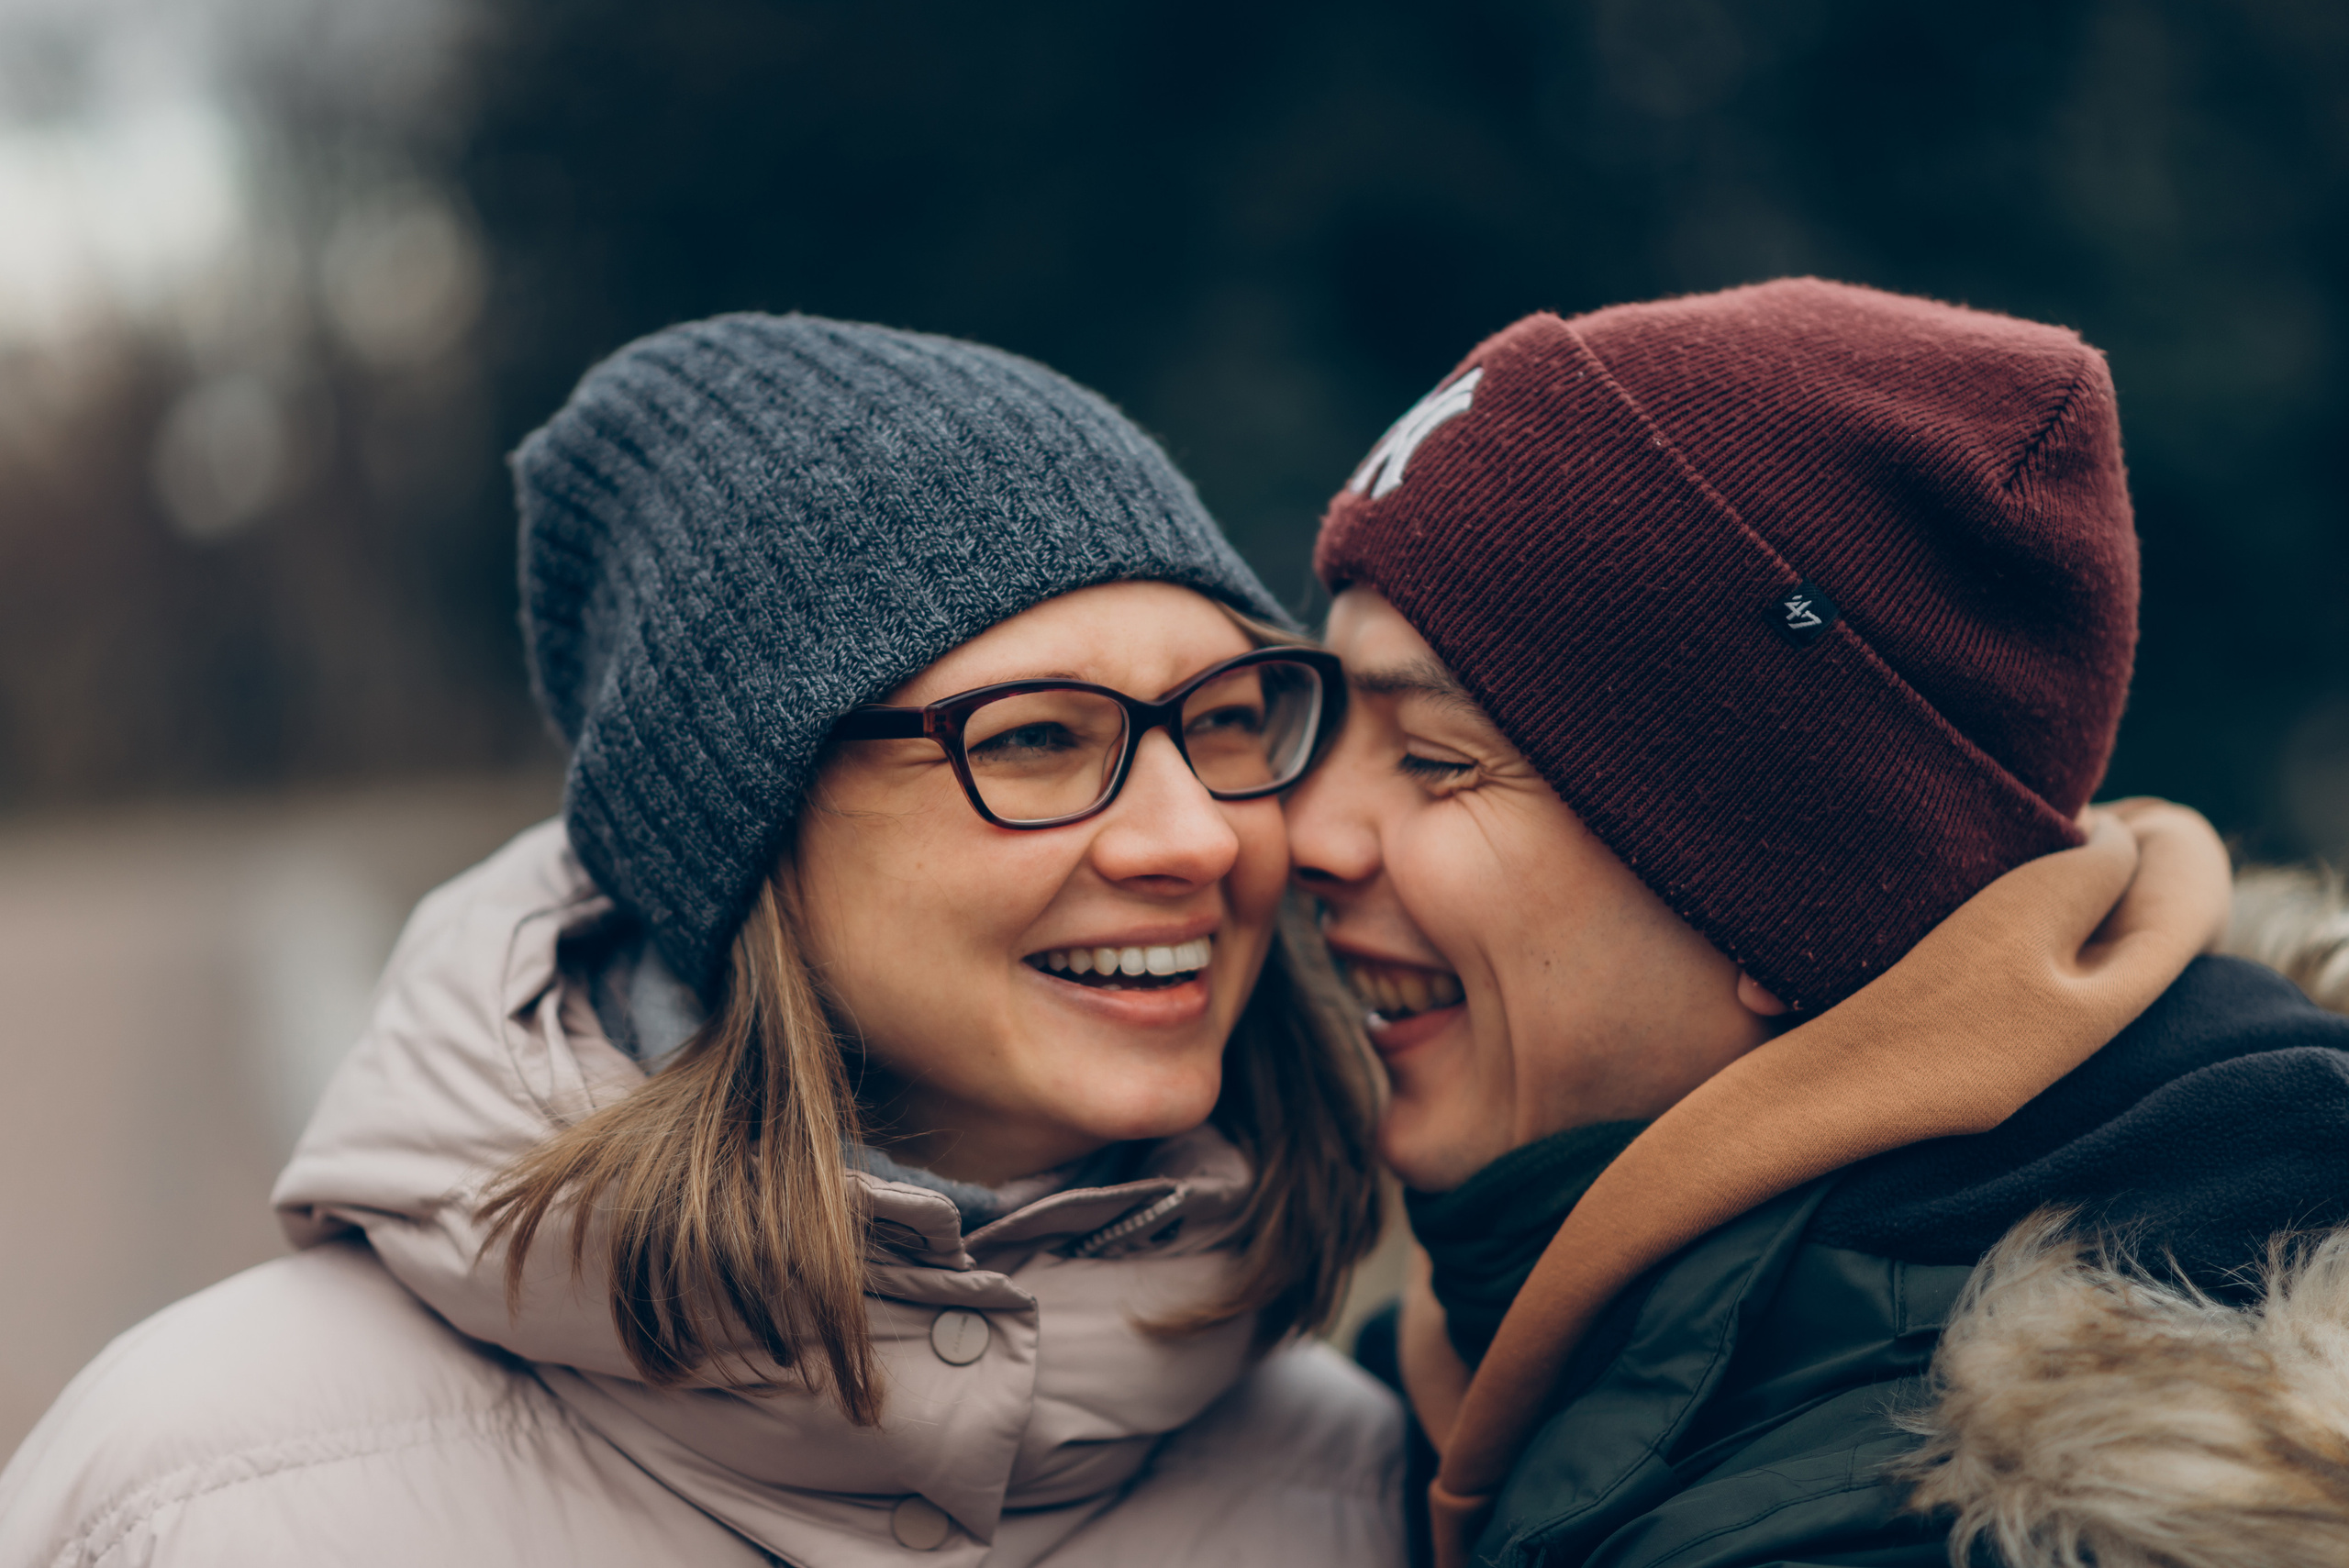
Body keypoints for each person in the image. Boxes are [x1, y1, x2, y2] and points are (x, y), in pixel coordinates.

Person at [0, 315, 1404, 1566]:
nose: (1198, 837)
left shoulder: (1357, 1491)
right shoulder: (198, 1496)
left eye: (1224, 719)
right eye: (1037, 737)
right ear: (746, 823)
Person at [1292, 277, 2349, 1567]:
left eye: (1437, 758)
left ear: (1786, 894)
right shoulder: (1450, 1384)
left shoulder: (1930, 1523)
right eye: (1326, 726)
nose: (1303, 835)